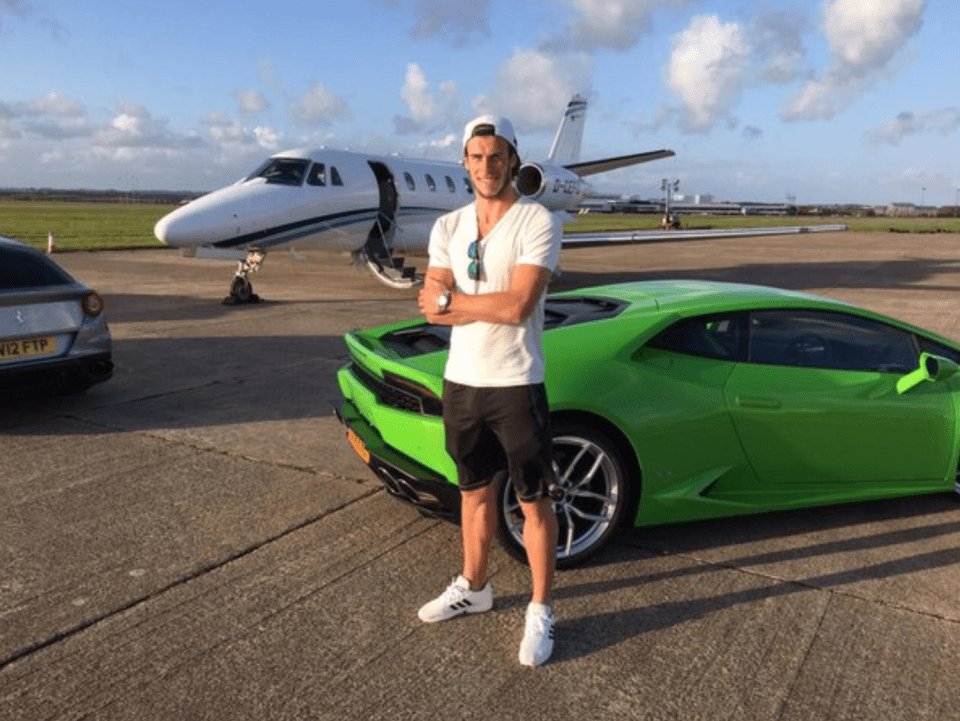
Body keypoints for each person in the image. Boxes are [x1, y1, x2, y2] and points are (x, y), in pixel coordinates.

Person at [415, 113, 563, 667]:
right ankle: (475, 587)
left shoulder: (536, 221)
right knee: (473, 492)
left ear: (512, 160)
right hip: (462, 383)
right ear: (465, 162)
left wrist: (455, 304)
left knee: (533, 500)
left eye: (495, 156)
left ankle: (541, 608)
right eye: (475, 157)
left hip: (515, 383)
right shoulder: (447, 228)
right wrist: (465, 306)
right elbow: (430, 305)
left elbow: (518, 305)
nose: (485, 166)